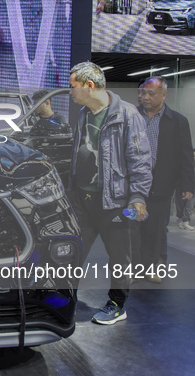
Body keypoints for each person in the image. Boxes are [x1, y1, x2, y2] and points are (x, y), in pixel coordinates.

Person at [68, 62, 152, 325]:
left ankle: (117, 304)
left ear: (89, 86)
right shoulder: (83, 114)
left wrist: (137, 197)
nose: (71, 92)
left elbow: (140, 161)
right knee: (73, 253)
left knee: (119, 257)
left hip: (114, 201)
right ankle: (65, 299)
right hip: (83, 199)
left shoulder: (127, 115)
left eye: (73, 87)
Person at [135, 77, 194, 282]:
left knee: (156, 227)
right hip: (133, 185)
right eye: (143, 92)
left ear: (164, 95)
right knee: (133, 227)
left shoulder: (178, 121)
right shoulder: (131, 116)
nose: (146, 97)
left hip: (162, 183)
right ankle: (133, 267)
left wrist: (187, 185)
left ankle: (154, 265)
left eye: (151, 93)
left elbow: (186, 156)